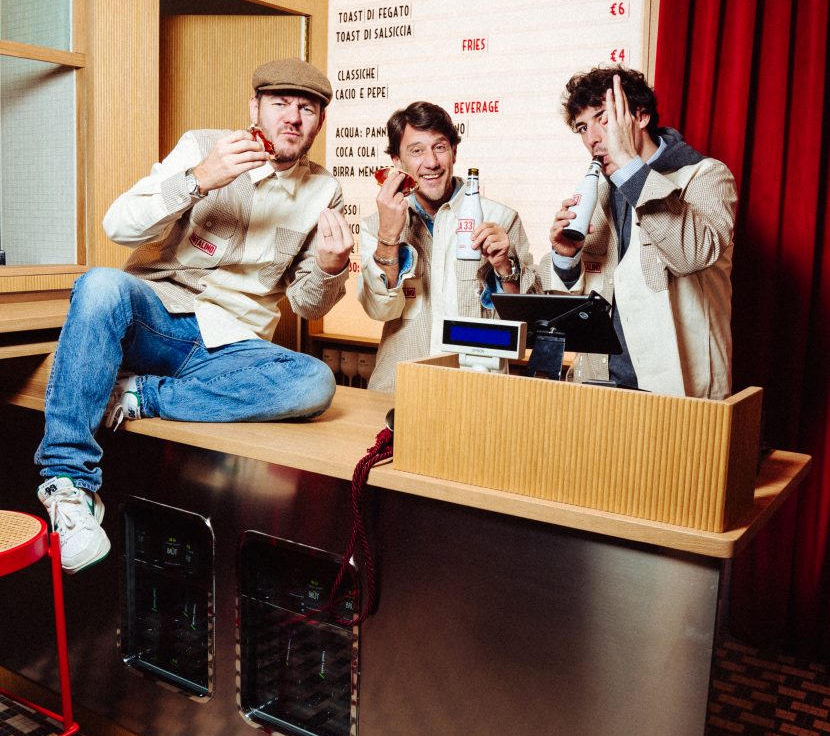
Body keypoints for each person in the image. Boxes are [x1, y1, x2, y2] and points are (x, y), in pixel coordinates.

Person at [36, 58, 352, 573]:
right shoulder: (204, 145)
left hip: (229, 346)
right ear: (255, 108)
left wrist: (332, 267)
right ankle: (68, 486)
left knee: (315, 381)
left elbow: (307, 304)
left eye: (307, 108)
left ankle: (140, 394)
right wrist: (200, 178)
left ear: (319, 121)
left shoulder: (325, 191)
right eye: (280, 103)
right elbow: (118, 225)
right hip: (160, 316)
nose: (292, 117)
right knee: (98, 284)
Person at [539, 66, 736, 398]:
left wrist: (631, 169)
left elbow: (691, 254)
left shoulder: (707, 176)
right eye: (583, 127)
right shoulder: (599, 191)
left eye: (604, 118)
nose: (592, 138)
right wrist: (565, 258)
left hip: (679, 390)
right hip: (600, 385)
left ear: (641, 116)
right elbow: (580, 302)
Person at [358, 100, 538, 391]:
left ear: (454, 151)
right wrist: (388, 237)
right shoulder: (375, 225)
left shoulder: (500, 219)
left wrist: (505, 267)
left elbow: (525, 325)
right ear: (397, 161)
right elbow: (380, 310)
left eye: (440, 147)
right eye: (416, 151)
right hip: (400, 389)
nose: (431, 162)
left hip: (478, 391)